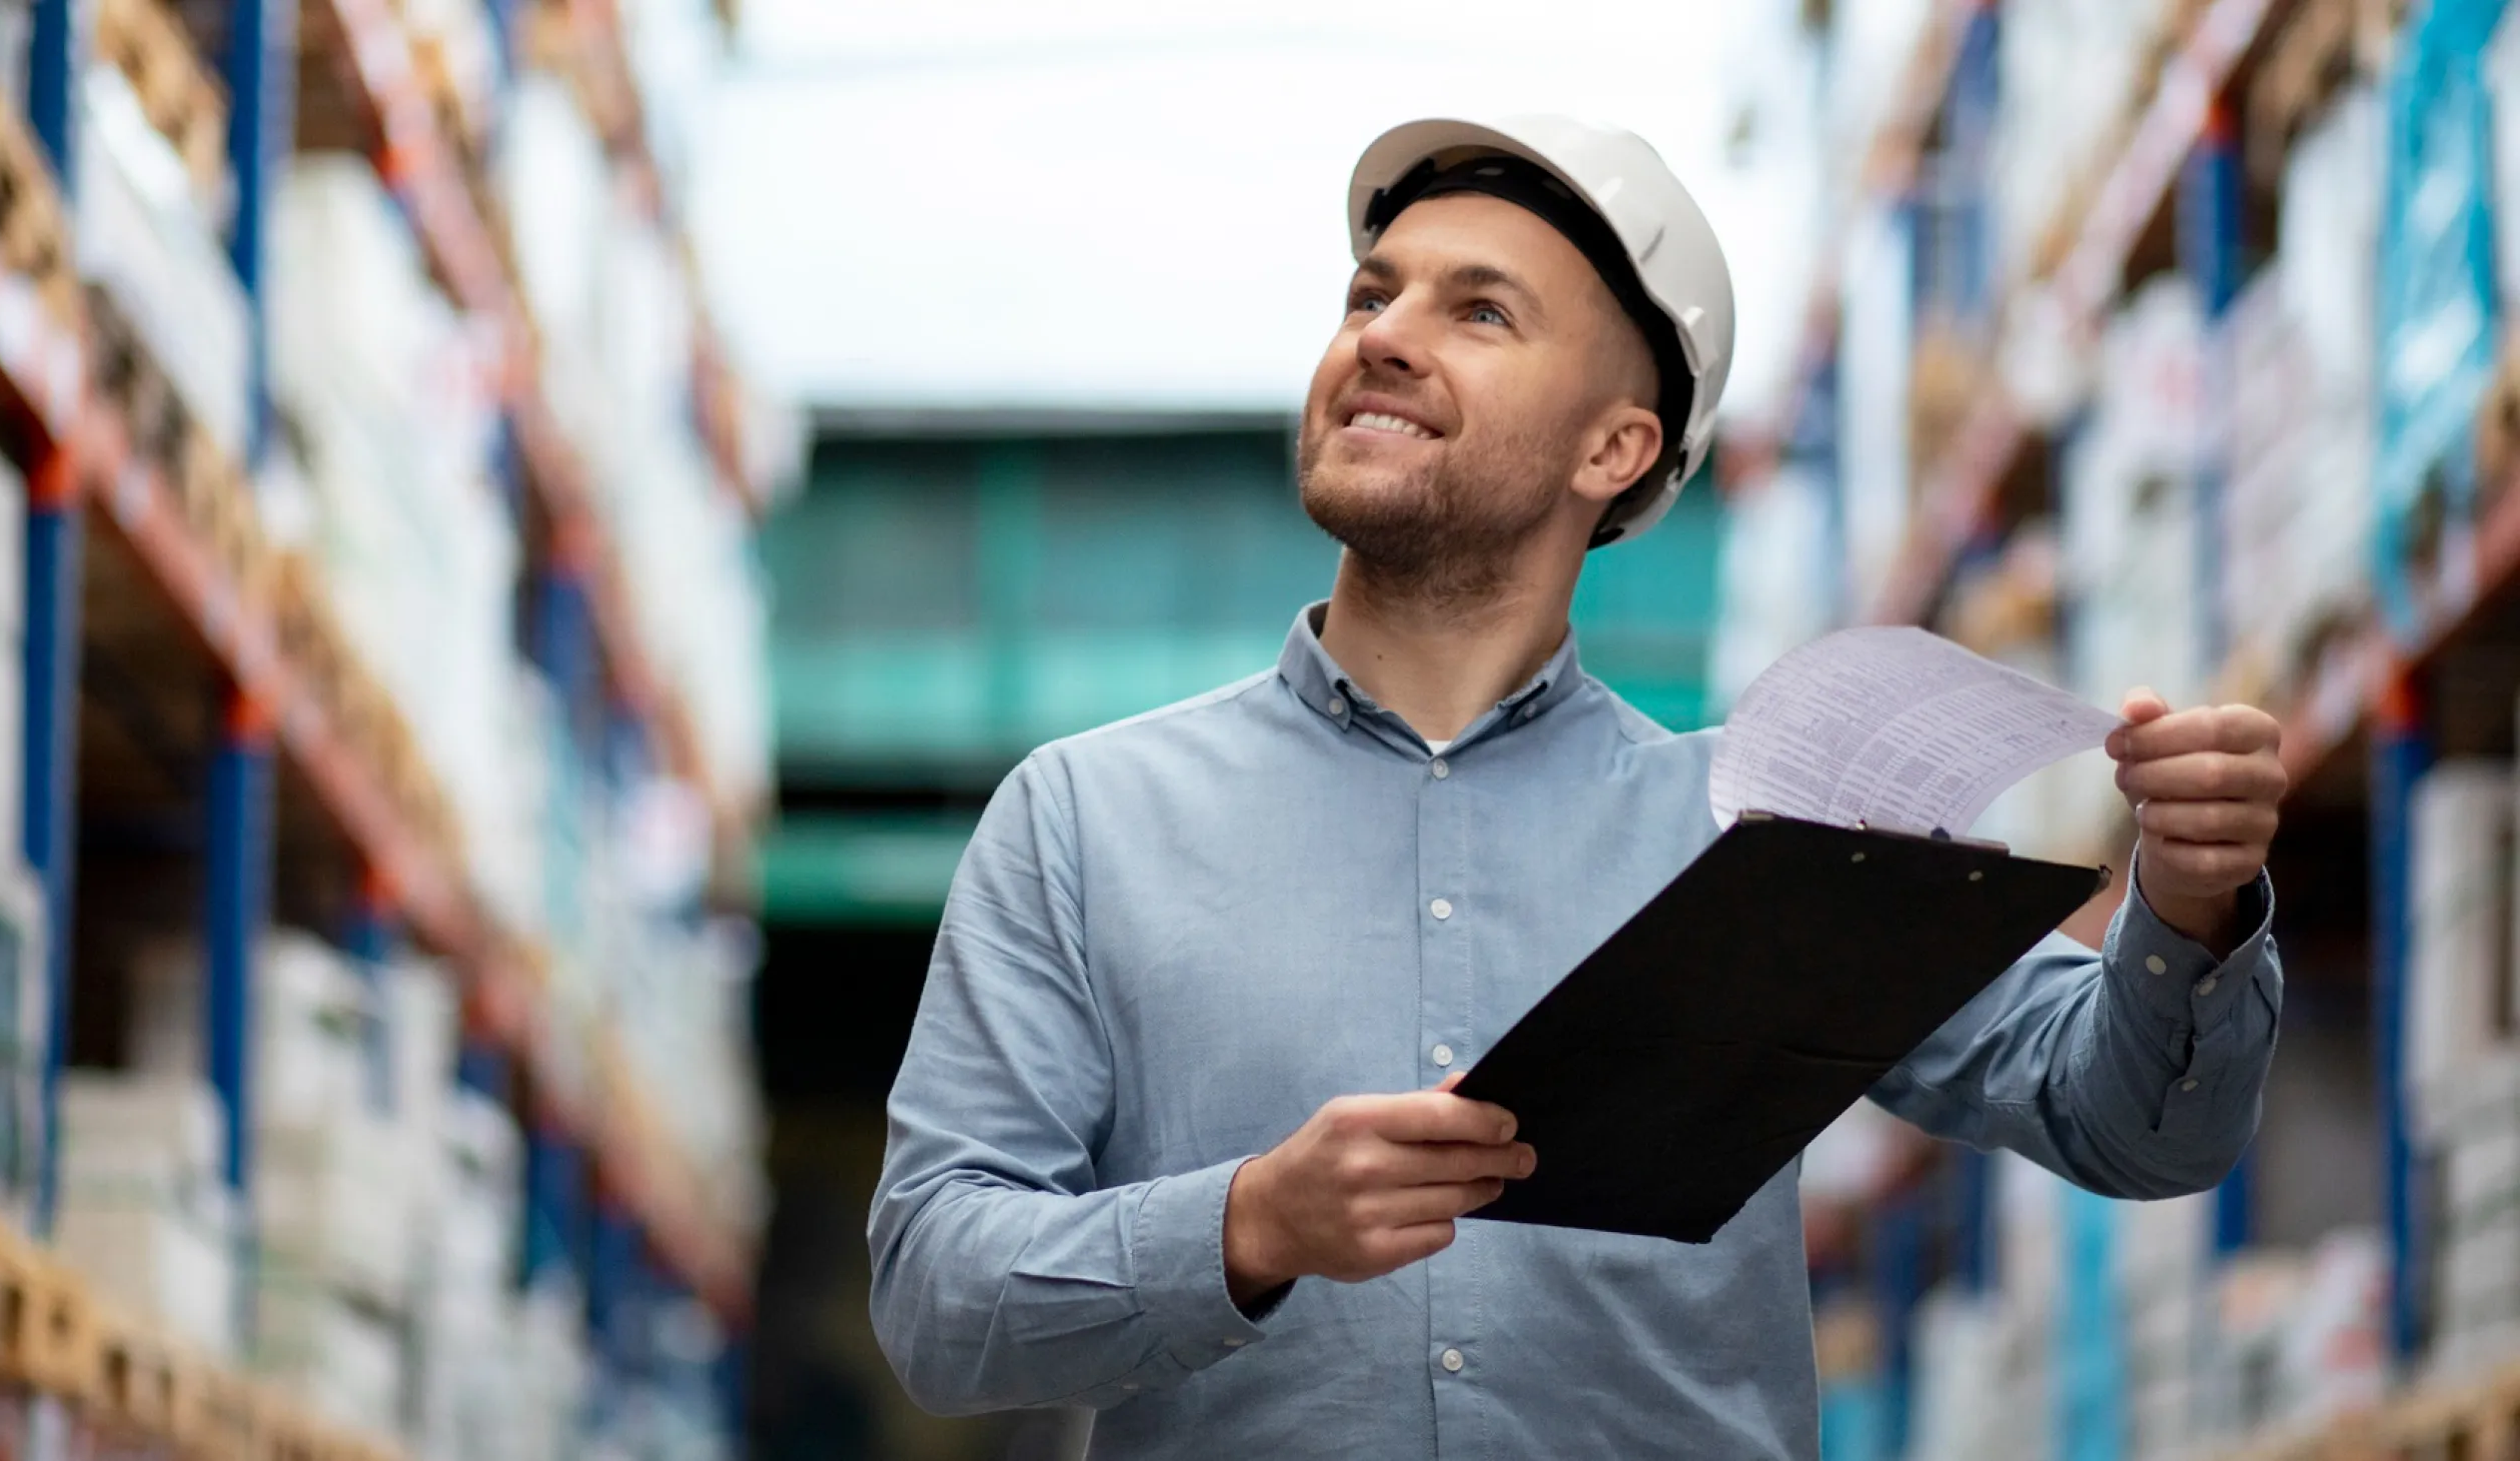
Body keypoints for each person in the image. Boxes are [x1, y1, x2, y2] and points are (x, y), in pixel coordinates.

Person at [866, 114, 2286, 1458]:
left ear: (1615, 449)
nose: (1384, 339)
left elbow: (2136, 1126)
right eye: (1372, 295)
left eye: (1477, 312)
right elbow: (935, 1297)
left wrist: (2191, 899)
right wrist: (1246, 1223)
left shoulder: (1767, 837)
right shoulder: (1085, 822)